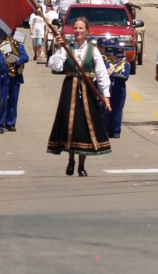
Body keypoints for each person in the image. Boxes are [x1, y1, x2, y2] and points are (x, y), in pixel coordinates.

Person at [47, 17, 112, 176]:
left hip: (87, 90)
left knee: (84, 127)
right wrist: (59, 47)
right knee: (70, 126)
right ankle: (71, 161)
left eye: (81, 28)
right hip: (70, 89)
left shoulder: (93, 50)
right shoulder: (67, 47)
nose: (78, 31)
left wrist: (106, 96)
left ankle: (81, 165)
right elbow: (55, 66)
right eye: (75, 28)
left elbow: (102, 74)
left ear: (87, 31)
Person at [0, 36, 29, 132]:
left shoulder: (18, 39)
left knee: (13, 100)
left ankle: (10, 123)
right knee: (2, 101)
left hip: (15, 76)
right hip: (4, 75)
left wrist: (15, 60)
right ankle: (1, 123)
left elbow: (25, 57)